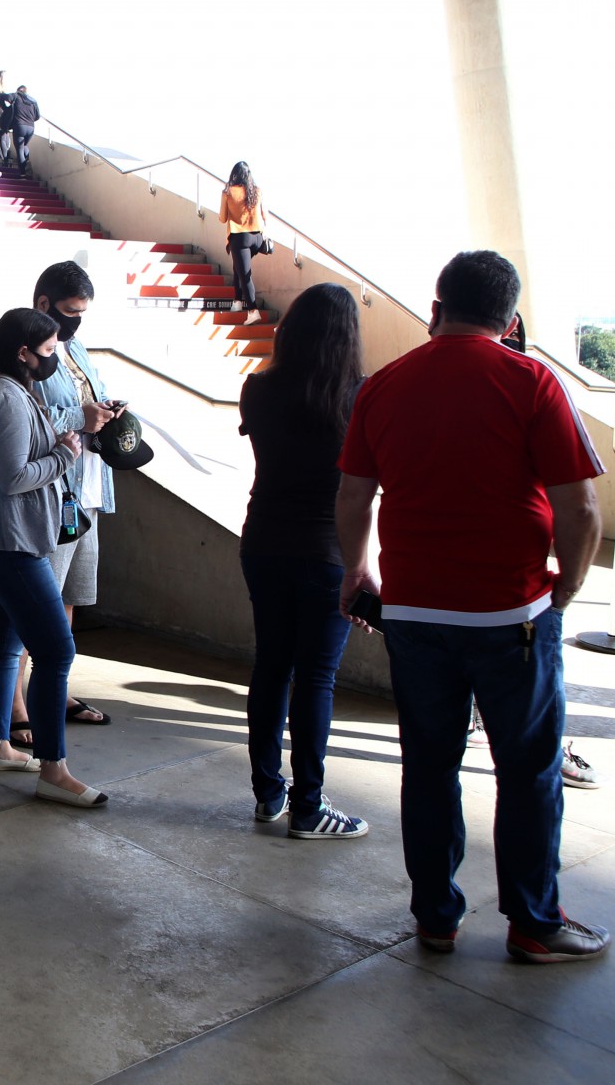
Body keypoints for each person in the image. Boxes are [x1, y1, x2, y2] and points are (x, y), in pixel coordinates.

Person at [336, 250, 608, 962]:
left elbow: (354, 494)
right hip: (511, 617)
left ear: (437, 309)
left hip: (416, 614)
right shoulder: (532, 380)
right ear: (510, 321)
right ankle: (532, 924)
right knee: (527, 771)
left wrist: (357, 570)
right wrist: (567, 589)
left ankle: (435, 917)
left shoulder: (384, 386)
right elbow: (579, 505)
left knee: (429, 765)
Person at [239, 282, 369, 839]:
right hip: (326, 553)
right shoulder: (359, 397)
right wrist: (362, 565)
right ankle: (309, 808)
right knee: (316, 679)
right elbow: (361, 491)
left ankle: (269, 795)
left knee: (271, 665)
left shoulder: (258, 389)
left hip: (263, 540)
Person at [0, 307, 105, 804]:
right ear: (23, 353)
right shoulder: (4, 395)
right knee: (55, 650)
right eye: (47, 353)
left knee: (6, 645)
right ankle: (54, 768)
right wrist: (65, 454)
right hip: (11, 543)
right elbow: (15, 477)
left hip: (7, 539)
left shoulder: (8, 389)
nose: (52, 360)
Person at [0, 263, 124, 741]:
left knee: (68, 599)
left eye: (83, 314)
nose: (76, 323)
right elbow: (22, 413)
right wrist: (81, 414)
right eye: (71, 313)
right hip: (53, 492)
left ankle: (54, 688)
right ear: (44, 304)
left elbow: (95, 396)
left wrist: (109, 410)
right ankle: (13, 703)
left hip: (88, 491)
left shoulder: (78, 348)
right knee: (33, 603)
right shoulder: (22, 351)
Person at [219, 161, 267, 311]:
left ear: (234, 174)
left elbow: (222, 218)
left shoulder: (228, 192)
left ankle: (253, 311)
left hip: (240, 238)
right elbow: (265, 215)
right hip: (257, 239)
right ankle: (237, 302)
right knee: (238, 267)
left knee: (245, 275)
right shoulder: (257, 191)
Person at [8, 83, 41, 169]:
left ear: (18, 91)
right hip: (30, 127)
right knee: (24, 145)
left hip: (19, 126)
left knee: (20, 149)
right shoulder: (33, 101)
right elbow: (37, 116)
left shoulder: (16, 96)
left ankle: (23, 174)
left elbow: (5, 97)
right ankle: (27, 161)